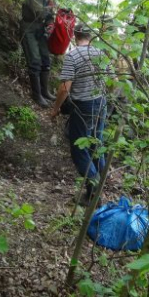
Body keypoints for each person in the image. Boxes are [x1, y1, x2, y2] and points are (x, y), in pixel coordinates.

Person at [50, 21, 107, 206]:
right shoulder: (101, 54)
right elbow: (112, 80)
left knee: (79, 149)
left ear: (75, 36)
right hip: (102, 103)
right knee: (97, 143)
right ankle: (101, 181)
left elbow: (65, 88)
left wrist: (56, 108)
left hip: (84, 107)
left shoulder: (73, 56)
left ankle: (93, 193)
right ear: (90, 37)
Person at [21, 0, 57, 107]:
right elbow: (39, 13)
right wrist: (49, 8)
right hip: (29, 29)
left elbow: (49, 17)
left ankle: (45, 91)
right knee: (35, 61)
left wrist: (50, 23)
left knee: (46, 59)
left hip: (40, 30)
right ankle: (37, 95)